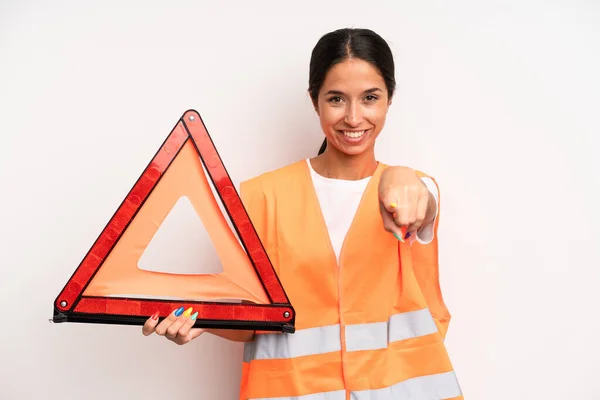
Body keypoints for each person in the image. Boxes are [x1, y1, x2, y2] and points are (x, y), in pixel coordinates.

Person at [142, 28, 463, 399]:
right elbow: (257, 323)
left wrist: (402, 176)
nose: (354, 117)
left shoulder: (414, 191)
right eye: (337, 99)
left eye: (370, 98)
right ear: (315, 102)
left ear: (390, 100)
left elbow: (421, 202)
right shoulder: (262, 197)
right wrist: (198, 319)